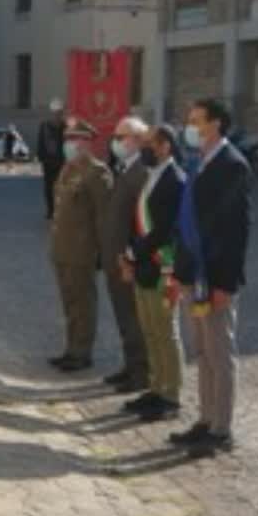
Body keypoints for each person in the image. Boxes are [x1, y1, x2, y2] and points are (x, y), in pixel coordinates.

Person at [168, 98, 251, 457]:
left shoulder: (232, 165)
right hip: (193, 274)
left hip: (214, 278)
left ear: (216, 123)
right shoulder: (199, 161)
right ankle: (204, 419)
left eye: (197, 120)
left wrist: (224, 284)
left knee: (219, 352)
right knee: (202, 352)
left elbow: (236, 231)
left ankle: (222, 428)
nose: (191, 127)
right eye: (190, 121)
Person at [119, 124, 187, 423]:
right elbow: (140, 222)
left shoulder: (175, 180)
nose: (144, 148)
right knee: (150, 330)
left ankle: (171, 395)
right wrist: (131, 254)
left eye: (150, 144)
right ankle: (156, 387)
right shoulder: (152, 176)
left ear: (166, 147)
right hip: (145, 264)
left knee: (166, 331)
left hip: (163, 265)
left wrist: (135, 252)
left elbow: (164, 230)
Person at [47, 119, 112, 372]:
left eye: (74, 139)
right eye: (67, 139)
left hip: (82, 250)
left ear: (87, 142)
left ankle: (82, 352)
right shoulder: (68, 170)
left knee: (83, 303)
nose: (69, 144)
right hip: (62, 249)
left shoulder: (97, 172)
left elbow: (103, 216)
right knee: (69, 302)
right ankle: (71, 348)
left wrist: (100, 252)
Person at [100, 117, 152, 393]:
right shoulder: (124, 168)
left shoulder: (142, 172)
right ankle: (130, 364)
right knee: (123, 316)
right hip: (114, 258)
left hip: (127, 261)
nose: (117, 142)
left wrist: (130, 257)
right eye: (116, 137)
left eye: (123, 137)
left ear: (140, 140)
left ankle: (141, 372)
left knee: (134, 318)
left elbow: (141, 224)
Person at [36, 98, 68, 220]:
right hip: (49, 161)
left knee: (62, 186)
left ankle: (59, 210)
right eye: (55, 112)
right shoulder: (44, 125)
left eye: (59, 112)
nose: (57, 115)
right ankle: (51, 210)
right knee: (49, 187)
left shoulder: (65, 125)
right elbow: (41, 142)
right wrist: (41, 157)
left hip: (62, 160)